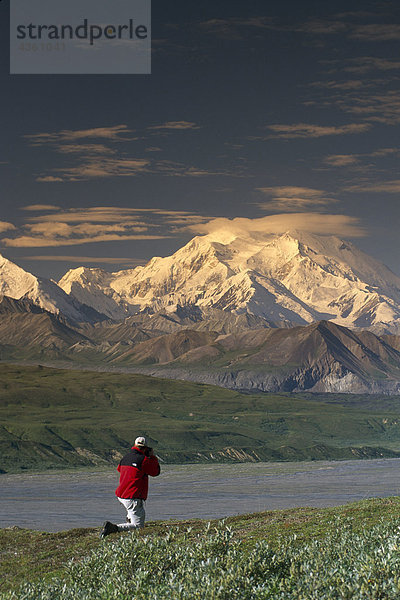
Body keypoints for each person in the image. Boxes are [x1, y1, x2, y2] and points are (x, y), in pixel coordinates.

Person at [100, 436, 160, 538]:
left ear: (135, 445)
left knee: (131, 510)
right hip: (133, 496)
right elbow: (155, 472)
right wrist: (152, 457)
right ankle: (113, 528)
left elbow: (119, 470)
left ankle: (129, 520)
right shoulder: (144, 460)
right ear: (146, 448)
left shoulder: (125, 458)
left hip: (121, 494)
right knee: (138, 526)